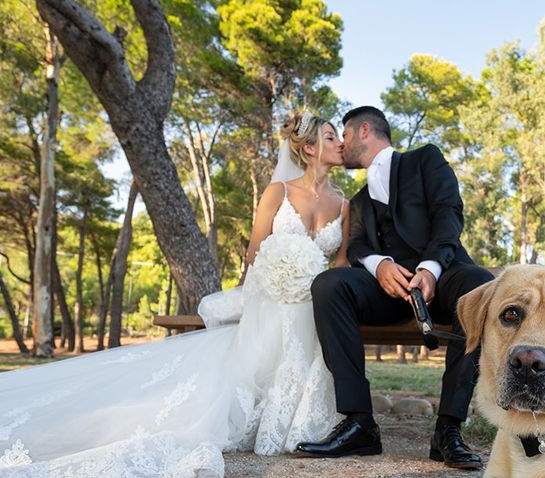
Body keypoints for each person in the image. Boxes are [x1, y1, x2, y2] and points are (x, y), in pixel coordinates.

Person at [0, 112, 346, 477]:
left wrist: (309, 277)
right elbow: (254, 252)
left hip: (314, 303)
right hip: (271, 296)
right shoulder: (280, 191)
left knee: (307, 325)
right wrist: (281, 274)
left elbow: (339, 267)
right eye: (329, 136)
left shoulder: (344, 204)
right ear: (309, 148)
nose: (339, 142)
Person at [296, 106, 493, 471]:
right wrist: (379, 264)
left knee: (481, 287)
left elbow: (449, 214)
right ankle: (360, 424)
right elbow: (356, 246)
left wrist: (430, 269)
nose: (341, 143)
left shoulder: (425, 160)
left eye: (345, 134)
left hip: (444, 276)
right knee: (328, 284)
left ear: (364, 130)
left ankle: (448, 430)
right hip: (386, 293)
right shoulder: (356, 200)